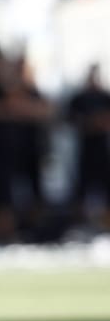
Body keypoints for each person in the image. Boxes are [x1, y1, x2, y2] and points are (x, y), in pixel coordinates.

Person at [66, 63, 110, 234]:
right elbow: (70, 120)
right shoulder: (79, 98)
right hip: (84, 150)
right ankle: (80, 222)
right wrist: (90, 123)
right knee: (82, 188)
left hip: (102, 150)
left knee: (105, 188)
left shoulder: (105, 97)